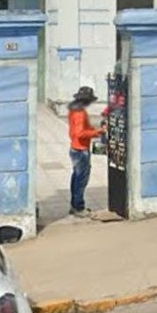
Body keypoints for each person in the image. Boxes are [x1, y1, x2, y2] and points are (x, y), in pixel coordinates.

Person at [67, 86, 106, 217]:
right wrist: (96, 132)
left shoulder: (73, 110)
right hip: (81, 150)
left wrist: (96, 131)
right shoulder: (80, 113)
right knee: (81, 180)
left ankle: (74, 205)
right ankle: (78, 207)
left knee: (76, 178)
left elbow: (82, 129)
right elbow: (80, 133)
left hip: (75, 148)